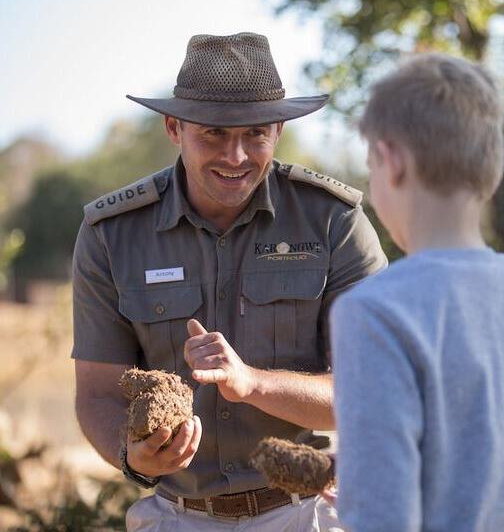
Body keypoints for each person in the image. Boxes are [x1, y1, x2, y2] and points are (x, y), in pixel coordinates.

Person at [71, 32, 386, 531]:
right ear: (174, 127)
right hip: (176, 516)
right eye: (214, 134)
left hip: (307, 514)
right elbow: (97, 392)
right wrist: (133, 455)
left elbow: (370, 396)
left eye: (255, 134)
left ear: (278, 128)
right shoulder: (111, 234)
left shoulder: (334, 222)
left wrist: (251, 382)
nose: (236, 156)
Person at [328, 54, 504, 531]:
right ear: (491, 168)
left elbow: (382, 517)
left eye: (371, 163)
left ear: (391, 161)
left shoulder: (371, 311)